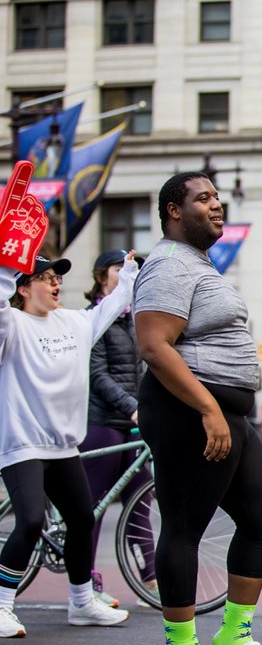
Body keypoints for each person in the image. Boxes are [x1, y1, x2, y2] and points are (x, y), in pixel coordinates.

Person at [135, 172, 262, 645]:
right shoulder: (167, 265)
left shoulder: (197, 265)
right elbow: (154, 345)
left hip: (227, 412)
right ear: (173, 211)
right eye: (203, 199)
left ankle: (232, 636)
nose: (217, 206)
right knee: (184, 525)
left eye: (218, 198)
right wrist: (207, 409)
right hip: (189, 412)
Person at [1, 253, 136, 638]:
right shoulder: (11, 325)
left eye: (56, 277)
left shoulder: (75, 322)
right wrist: (6, 269)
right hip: (23, 444)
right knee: (29, 520)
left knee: (81, 519)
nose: (55, 283)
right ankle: (1, 605)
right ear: (23, 288)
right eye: (44, 278)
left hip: (63, 447)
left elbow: (111, 307)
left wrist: (127, 275)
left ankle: (81, 603)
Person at [81, 250, 156, 608]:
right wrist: (132, 409)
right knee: (93, 507)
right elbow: (97, 375)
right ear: (101, 277)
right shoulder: (92, 320)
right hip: (102, 423)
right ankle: (86, 582)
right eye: (118, 268)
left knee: (140, 500)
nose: (126, 274)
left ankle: (151, 578)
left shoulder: (133, 319)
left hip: (132, 423)